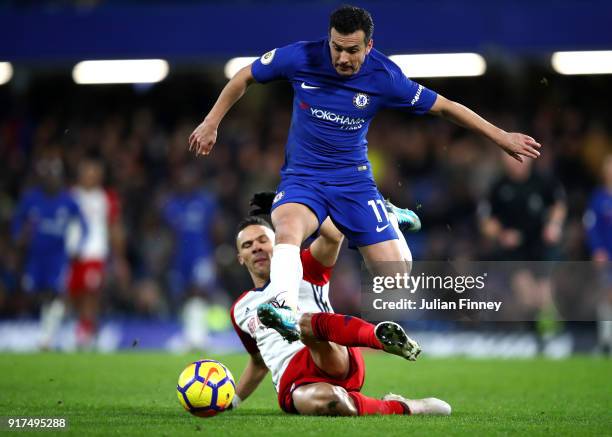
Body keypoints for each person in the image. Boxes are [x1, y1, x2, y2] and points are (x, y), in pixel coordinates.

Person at [190, 5, 542, 337]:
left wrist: (501, 136)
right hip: (303, 177)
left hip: (353, 182)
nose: (342, 57)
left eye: (352, 50)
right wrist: (211, 122)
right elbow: (245, 76)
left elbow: (446, 107)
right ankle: (282, 305)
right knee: (287, 228)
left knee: (396, 279)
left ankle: (387, 216)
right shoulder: (301, 56)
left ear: (369, 45)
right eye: (337, 47)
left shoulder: (385, 77)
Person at [230, 214, 450, 416]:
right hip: (295, 382)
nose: (256, 248)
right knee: (331, 401)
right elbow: (258, 362)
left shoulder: (303, 266)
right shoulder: (240, 309)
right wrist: (234, 400)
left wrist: (306, 211)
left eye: (262, 240)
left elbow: (333, 234)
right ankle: (410, 406)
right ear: (241, 257)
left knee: (303, 324)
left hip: (332, 353)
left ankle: (379, 337)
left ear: (279, 243)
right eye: (247, 245)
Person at [11, 158, 88, 349]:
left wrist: (78, 245)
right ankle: (40, 331)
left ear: (60, 178)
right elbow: (17, 220)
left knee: (55, 293)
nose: (51, 179)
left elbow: (83, 225)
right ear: (42, 177)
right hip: (34, 258)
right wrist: (18, 236)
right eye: (48, 175)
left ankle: (47, 337)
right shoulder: (31, 198)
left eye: (55, 175)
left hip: (57, 258)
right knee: (33, 294)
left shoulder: (68, 201)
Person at [67, 158, 127, 348]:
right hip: (71, 255)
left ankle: (84, 333)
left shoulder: (106, 198)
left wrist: (119, 258)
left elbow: (114, 227)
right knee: (74, 295)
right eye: (88, 172)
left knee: (90, 293)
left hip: (95, 253)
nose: (91, 177)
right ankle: (90, 328)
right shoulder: (70, 196)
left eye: (95, 173)